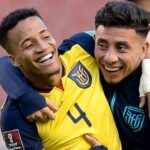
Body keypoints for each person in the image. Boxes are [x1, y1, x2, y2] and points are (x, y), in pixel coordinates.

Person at [0, 8, 121, 150]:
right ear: (14, 60)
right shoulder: (15, 115)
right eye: (29, 45)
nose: (43, 47)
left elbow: (132, 38)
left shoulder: (81, 47)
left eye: (45, 36)